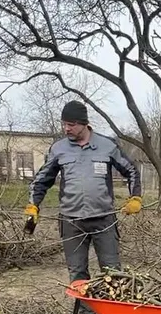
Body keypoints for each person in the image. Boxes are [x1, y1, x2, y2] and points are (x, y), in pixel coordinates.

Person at [24, 100, 142, 282]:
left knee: (112, 273)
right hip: (71, 221)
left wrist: (135, 197)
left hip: (104, 219)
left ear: (84, 123)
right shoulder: (58, 149)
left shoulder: (108, 145)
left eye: (71, 124)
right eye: (64, 124)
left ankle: (109, 302)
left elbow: (131, 170)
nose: (66, 129)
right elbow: (41, 180)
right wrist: (33, 205)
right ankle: (82, 302)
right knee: (77, 274)